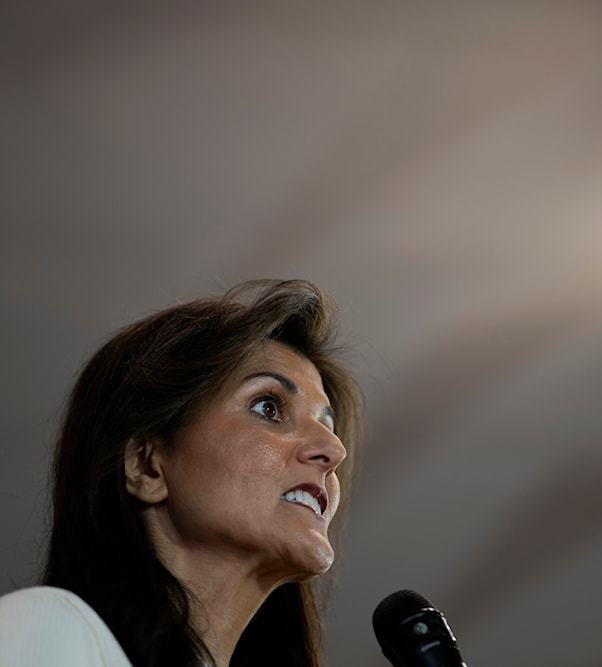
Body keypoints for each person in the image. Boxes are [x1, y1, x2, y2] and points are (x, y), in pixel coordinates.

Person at [0, 279, 364, 667]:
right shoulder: (53, 629)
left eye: (329, 426)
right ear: (146, 466)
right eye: (268, 408)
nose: (334, 450)